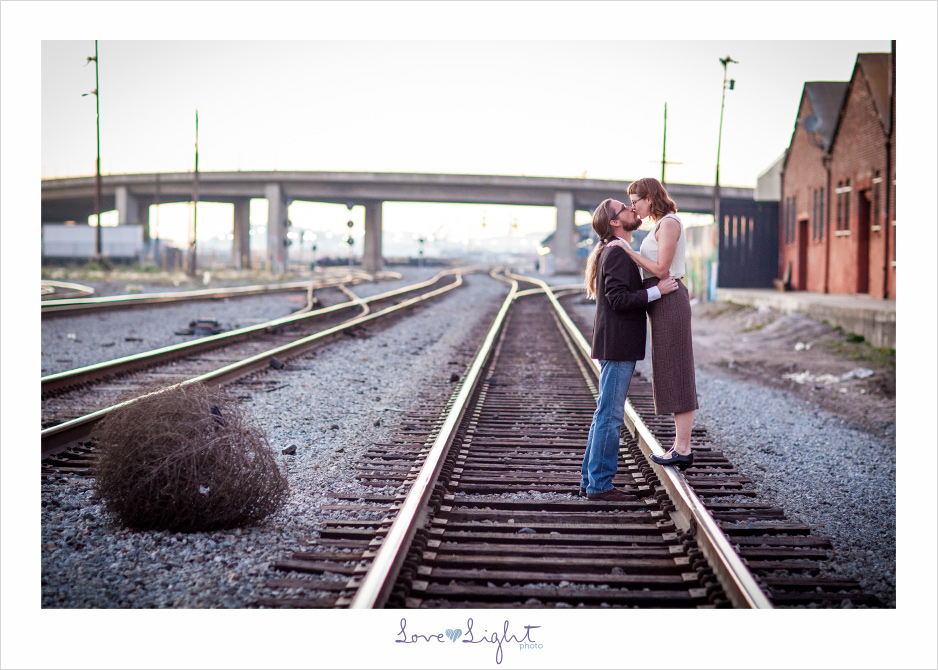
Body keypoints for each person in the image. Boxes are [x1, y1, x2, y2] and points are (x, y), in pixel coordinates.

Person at [580, 198, 678, 501]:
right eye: (625, 208)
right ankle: (600, 486)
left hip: (616, 343)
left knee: (604, 414)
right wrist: (656, 291)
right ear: (614, 222)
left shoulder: (616, 251)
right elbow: (618, 300)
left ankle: (591, 480)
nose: (632, 210)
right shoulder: (618, 254)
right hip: (618, 344)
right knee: (610, 415)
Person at [610, 177, 699, 470]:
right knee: (668, 368)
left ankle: (683, 448)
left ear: (650, 197)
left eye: (636, 201)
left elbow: (662, 270)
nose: (634, 208)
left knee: (678, 368)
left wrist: (630, 252)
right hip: (661, 303)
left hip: (670, 299)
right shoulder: (659, 225)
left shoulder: (669, 223)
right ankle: (679, 445)